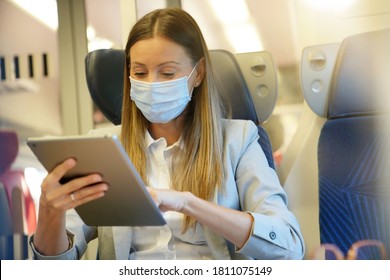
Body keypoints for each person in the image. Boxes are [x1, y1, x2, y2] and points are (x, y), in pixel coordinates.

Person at [29, 7, 304, 260]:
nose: (152, 84)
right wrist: (50, 213)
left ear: (198, 74)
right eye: (140, 72)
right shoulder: (103, 148)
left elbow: (289, 246)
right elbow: (56, 265)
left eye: (168, 73)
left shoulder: (238, 140)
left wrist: (187, 203)